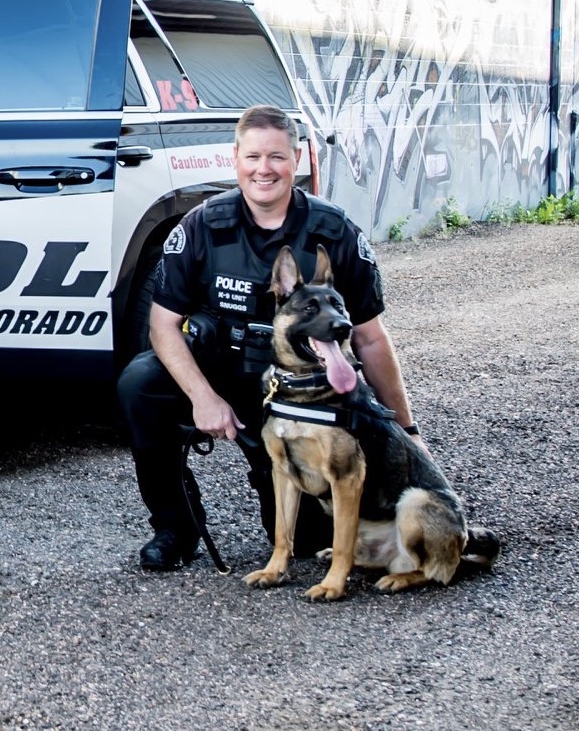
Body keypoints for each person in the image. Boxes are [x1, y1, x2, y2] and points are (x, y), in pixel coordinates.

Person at [117, 104, 426, 570]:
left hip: (297, 393)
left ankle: (292, 501)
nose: (265, 169)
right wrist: (202, 397)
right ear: (236, 158)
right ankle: (175, 528)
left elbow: (370, 338)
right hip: (221, 372)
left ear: (296, 160)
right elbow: (162, 326)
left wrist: (408, 431)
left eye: (277, 157)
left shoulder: (334, 232)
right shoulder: (201, 225)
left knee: (307, 544)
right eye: (254, 157)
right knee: (139, 384)